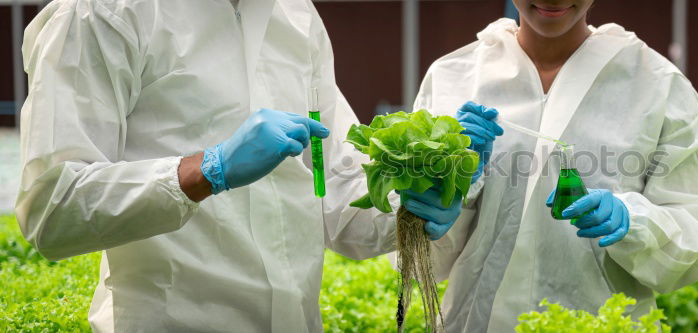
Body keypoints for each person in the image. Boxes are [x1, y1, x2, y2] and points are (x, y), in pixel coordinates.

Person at [15, 0, 452, 331]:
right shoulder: (102, 14)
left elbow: (332, 190)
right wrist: (208, 169)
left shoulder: (296, 16)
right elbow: (53, 208)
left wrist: (410, 206)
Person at [330, 0, 698, 331]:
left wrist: (633, 221)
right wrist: (451, 191)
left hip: (602, 322)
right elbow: (420, 249)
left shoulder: (655, 84)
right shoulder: (456, 77)